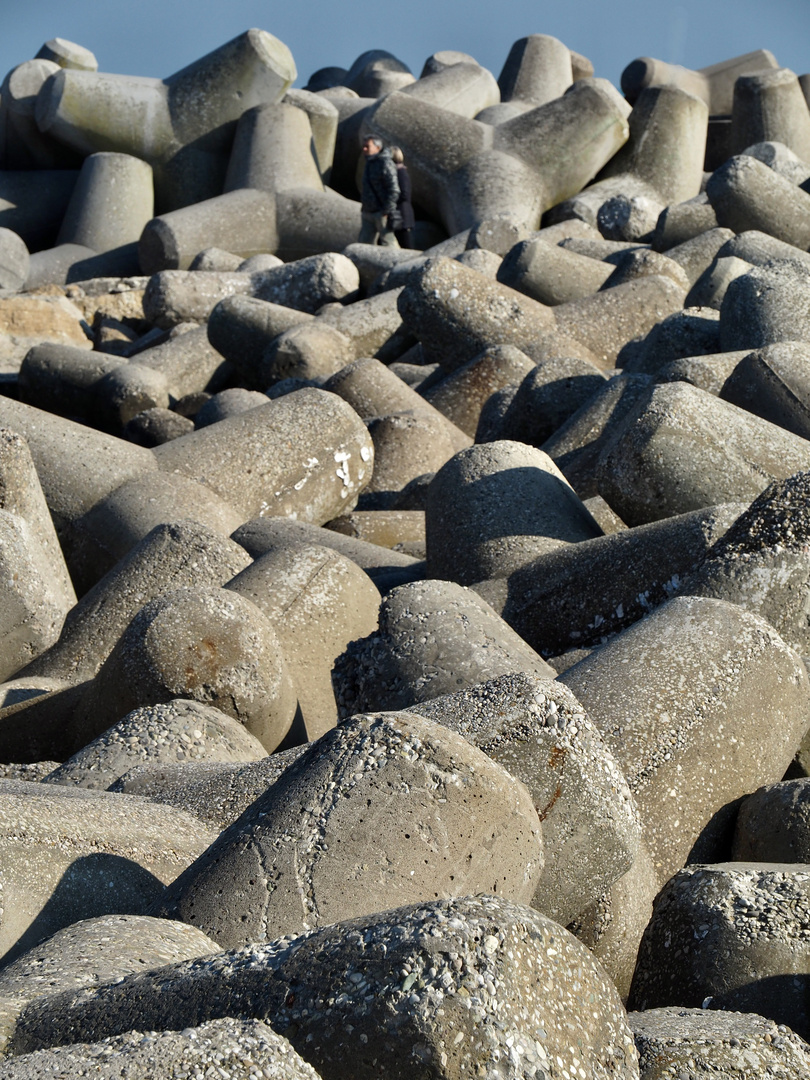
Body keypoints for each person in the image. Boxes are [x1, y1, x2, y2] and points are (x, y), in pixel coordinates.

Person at [359, 136, 400, 247]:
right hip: (368, 211)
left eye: (367, 146)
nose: (364, 149)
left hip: (381, 213)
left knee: (388, 243)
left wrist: (386, 211)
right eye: (363, 146)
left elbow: (394, 189)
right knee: (364, 244)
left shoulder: (385, 163)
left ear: (377, 148)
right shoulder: (369, 163)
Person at [389, 146, 415, 249]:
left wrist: (391, 201)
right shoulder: (396, 172)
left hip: (401, 214)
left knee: (406, 244)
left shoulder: (401, 173)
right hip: (398, 213)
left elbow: (405, 194)